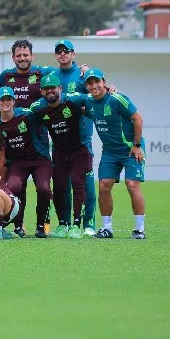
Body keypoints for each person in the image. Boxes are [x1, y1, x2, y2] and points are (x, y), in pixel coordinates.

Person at [82, 69, 147, 239]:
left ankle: (140, 229)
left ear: (104, 82)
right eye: (90, 83)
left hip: (130, 148)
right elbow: (79, 108)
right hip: (110, 151)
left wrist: (137, 145)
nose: (94, 86)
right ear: (87, 86)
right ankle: (107, 228)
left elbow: (138, 119)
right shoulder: (88, 102)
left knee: (132, 185)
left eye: (97, 81)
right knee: (104, 185)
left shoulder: (117, 98)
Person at [29, 74, 91, 238]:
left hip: (79, 150)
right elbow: (23, 114)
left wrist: (110, 91)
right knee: (59, 188)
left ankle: (77, 224)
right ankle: (63, 223)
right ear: (42, 91)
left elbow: (94, 98)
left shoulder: (73, 100)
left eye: (53, 88)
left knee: (78, 184)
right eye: (46, 89)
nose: (50, 91)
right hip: (59, 152)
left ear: (60, 89)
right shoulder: (38, 107)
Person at [0, 86, 53, 238]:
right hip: (18, 162)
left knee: (44, 188)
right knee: (14, 187)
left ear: (14, 101)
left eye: (8, 99)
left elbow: (46, 112)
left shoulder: (27, 115)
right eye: (2, 100)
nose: (6, 102)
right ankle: (18, 226)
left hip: (40, 159)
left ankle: (42, 226)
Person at [50, 38, 97, 235]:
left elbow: (97, 90)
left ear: (73, 54)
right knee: (63, 185)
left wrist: (111, 88)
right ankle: (65, 223)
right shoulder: (51, 75)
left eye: (66, 51)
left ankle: (88, 224)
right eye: (59, 51)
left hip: (82, 139)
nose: (63, 54)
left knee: (85, 183)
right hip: (61, 140)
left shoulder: (82, 74)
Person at [0, 40, 56, 109]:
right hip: (15, 118)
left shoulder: (43, 71)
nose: (22, 58)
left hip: (37, 118)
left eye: (25, 55)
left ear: (32, 56)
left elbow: (63, 72)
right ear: (13, 58)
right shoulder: (6, 75)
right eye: (18, 56)